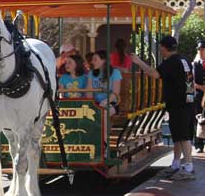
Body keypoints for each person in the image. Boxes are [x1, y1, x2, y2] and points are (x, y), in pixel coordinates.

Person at [131, 36, 196, 180]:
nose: (160, 51)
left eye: (160, 48)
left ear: (164, 48)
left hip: (179, 105)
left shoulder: (170, 63)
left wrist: (138, 61)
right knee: (179, 136)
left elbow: (154, 74)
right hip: (189, 103)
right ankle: (176, 164)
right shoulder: (184, 60)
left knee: (183, 137)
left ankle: (189, 168)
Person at [87, 50, 122, 116]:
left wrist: (104, 102)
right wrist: (92, 104)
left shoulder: (115, 72)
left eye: (95, 59)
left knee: (103, 114)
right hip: (95, 103)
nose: (91, 62)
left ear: (104, 60)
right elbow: (89, 91)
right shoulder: (91, 73)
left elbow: (115, 93)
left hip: (110, 103)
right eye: (92, 59)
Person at [193, 40, 205, 153]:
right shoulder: (195, 63)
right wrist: (202, 88)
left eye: (202, 49)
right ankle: (198, 145)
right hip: (199, 95)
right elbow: (191, 82)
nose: (201, 51)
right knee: (199, 118)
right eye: (199, 49)